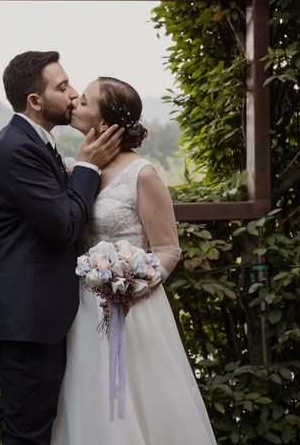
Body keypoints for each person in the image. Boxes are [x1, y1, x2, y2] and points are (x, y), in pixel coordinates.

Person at [51, 77, 217, 444]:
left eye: (86, 100)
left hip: (133, 307)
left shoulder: (142, 174)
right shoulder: (77, 169)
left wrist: (129, 284)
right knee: (86, 399)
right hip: (81, 308)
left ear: (106, 122)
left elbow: (168, 249)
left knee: (138, 403)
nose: (75, 100)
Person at [0, 52, 124, 445]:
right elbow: (64, 226)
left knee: (38, 426)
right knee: (28, 433)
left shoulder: (37, 142)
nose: (73, 95)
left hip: (35, 315)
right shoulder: (17, 149)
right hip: (22, 320)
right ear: (35, 101)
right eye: (62, 87)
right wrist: (88, 168)